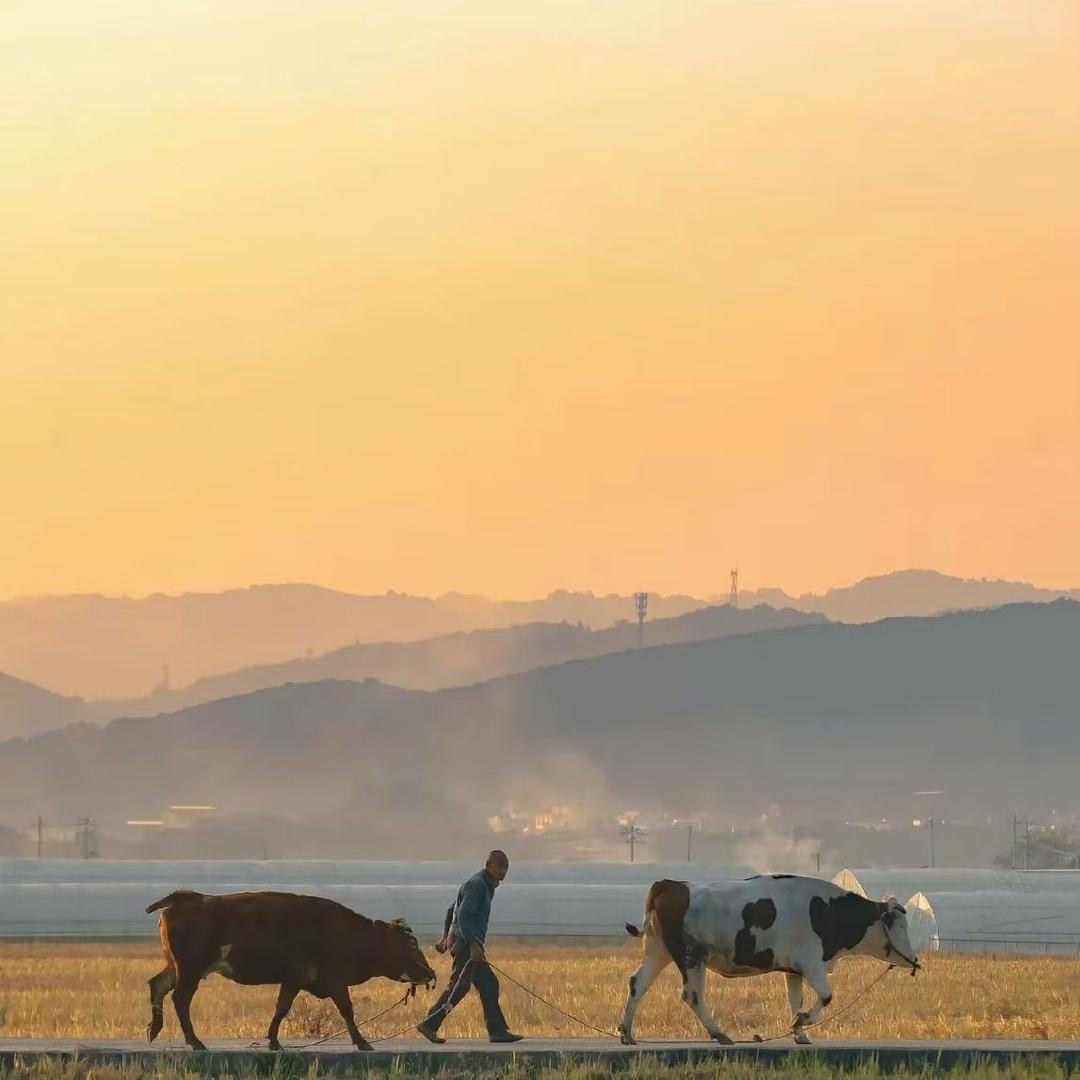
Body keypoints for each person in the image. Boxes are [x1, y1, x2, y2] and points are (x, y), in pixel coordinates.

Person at [417, 849, 524, 1044]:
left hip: (466, 942)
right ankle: (430, 1023)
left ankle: (497, 1031)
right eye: (500, 866)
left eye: (506, 867)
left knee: (488, 984)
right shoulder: (478, 885)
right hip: (467, 944)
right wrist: (474, 945)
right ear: (488, 864)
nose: (503, 871)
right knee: (460, 985)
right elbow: (464, 915)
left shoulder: (485, 885)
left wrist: (445, 937)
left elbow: (453, 909)